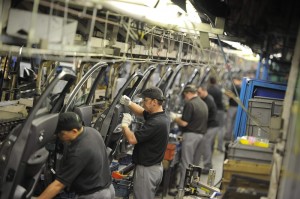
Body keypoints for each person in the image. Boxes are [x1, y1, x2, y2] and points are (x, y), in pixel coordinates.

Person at [38, 112, 115, 199]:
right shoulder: (92, 131)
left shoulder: (78, 153)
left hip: (93, 195)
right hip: (108, 189)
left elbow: (58, 185)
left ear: (74, 131)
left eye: (61, 134)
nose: (59, 137)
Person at [119, 87, 170, 199]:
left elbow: (132, 139)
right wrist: (129, 103)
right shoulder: (161, 116)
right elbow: (141, 112)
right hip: (155, 168)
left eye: (145, 100)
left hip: (146, 171)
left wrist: (124, 125)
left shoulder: (156, 123)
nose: (142, 103)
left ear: (154, 102)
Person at [170, 84, 208, 191]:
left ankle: (182, 189)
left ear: (188, 93)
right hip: (201, 136)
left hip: (191, 136)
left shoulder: (190, 104)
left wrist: (174, 118)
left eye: (185, 95)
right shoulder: (202, 103)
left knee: (186, 164)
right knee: (195, 165)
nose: (185, 98)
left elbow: (184, 123)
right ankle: (192, 188)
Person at [197, 85, 219, 174]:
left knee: (206, 145)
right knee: (208, 145)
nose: (198, 94)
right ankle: (208, 164)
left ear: (204, 90)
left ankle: (207, 166)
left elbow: (203, 114)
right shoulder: (207, 98)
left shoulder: (208, 101)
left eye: (199, 92)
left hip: (212, 126)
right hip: (212, 126)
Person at [207, 76, 226, 152]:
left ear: (209, 82)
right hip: (220, 110)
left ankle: (211, 147)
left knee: (212, 129)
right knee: (221, 129)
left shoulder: (209, 90)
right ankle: (220, 147)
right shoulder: (219, 90)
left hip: (213, 111)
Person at [224, 76, 242, 141]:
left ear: (237, 80)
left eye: (234, 80)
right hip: (238, 108)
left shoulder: (234, 87)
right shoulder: (241, 88)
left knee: (229, 122)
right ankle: (233, 137)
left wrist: (225, 92)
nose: (233, 82)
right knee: (234, 123)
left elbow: (230, 95)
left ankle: (227, 137)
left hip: (232, 107)